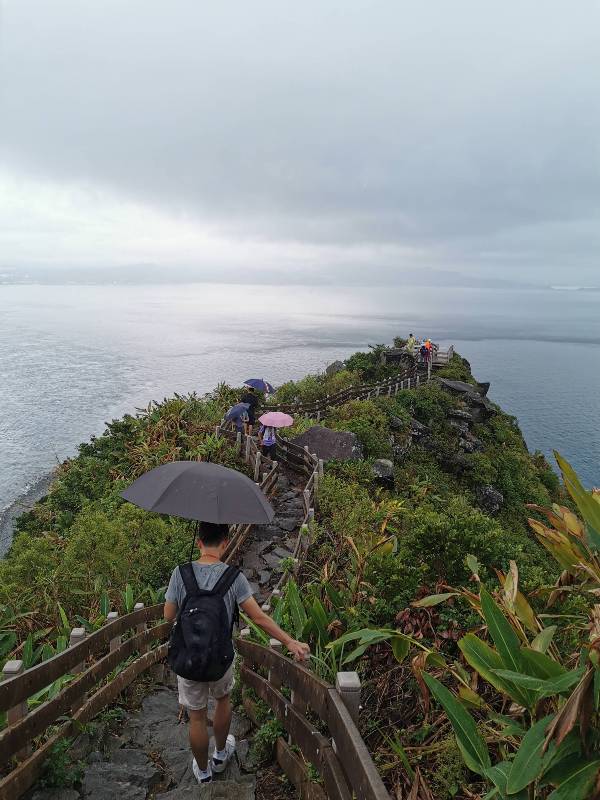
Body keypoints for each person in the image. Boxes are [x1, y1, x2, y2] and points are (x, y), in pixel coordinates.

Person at [164, 522, 310, 786]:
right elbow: (259, 618)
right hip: (220, 657)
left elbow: (168, 615)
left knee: (196, 716)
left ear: (198, 542)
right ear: (225, 542)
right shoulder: (233, 577)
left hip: (188, 659)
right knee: (222, 700)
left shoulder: (180, 573)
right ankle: (220, 755)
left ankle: (203, 773)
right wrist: (289, 641)